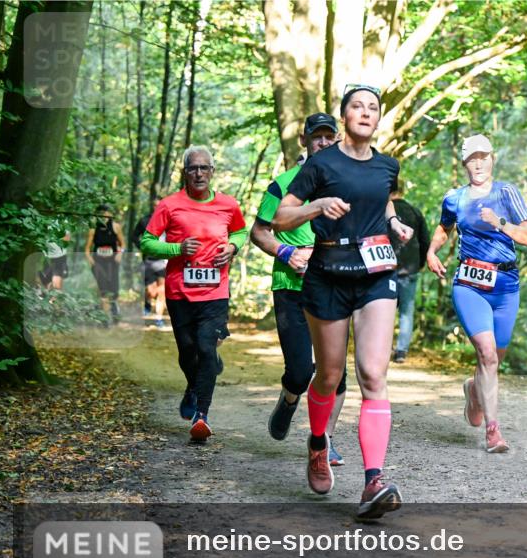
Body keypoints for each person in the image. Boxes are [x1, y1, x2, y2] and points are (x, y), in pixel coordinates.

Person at [273, 84, 413, 520]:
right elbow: (281, 219)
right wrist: (317, 206)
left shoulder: (388, 166)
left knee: (373, 373)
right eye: (358, 106)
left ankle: (373, 480)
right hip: (328, 275)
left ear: (378, 118)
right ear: (345, 115)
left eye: (373, 108)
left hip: (376, 273)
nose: (366, 113)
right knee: (329, 376)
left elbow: (384, 204)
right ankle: (318, 443)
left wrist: (396, 225)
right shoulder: (320, 163)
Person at [426, 134, 527, 454]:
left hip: (505, 285)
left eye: (483, 156)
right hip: (469, 283)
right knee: (486, 353)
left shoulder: (506, 192)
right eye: (471, 158)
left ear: (492, 159)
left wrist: (498, 222)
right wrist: (432, 251)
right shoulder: (455, 198)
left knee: (494, 360)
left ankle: (474, 389)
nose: (478, 163)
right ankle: (493, 431)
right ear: (464, 164)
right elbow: (444, 228)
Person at [251, 112, 346, 465]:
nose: (323, 142)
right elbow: (259, 231)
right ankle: (289, 399)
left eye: (328, 136)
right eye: (316, 136)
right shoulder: (283, 185)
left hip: (333, 288)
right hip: (291, 288)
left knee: (336, 370)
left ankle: (325, 441)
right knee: (301, 371)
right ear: (304, 141)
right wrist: (287, 252)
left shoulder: (344, 183)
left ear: (337, 140)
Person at [140, 145, 247, 442]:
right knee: (188, 351)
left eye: (204, 168)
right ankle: (193, 385)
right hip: (179, 292)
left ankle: (202, 414)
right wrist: (176, 248)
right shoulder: (169, 205)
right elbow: (147, 243)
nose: (198, 173)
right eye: (192, 168)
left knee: (206, 349)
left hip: (215, 292)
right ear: (185, 173)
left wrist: (233, 247)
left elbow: (240, 231)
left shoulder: (228, 204)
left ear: (212, 172)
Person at [387, 180, 430, 363]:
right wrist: (419, 264)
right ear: (403, 191)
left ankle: (384, 348)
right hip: (410, 269)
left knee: (385, 311)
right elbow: (425, 241)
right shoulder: (415, 212)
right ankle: (401, 352)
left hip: (386, 268)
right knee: (406, 311)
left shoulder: (384, 212)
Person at [84, 204, 125, 324]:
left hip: (112, 261)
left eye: (107, 213)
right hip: (98, 262)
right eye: (102, 213)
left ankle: (114, 309)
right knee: (103, 289)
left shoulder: (116, 227)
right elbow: (87, 248)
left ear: (110, 214)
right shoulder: (93, 229)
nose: (105, 215)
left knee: (113, 288)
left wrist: (120, 254)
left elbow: (123, 245)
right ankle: (104, 318)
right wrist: (90, 260)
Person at [132, 209, 168, 328]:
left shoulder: (169, 219)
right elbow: (134, 236)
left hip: (163, 260)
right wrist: (142, 247)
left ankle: (159, 318)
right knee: (151, 292)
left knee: (162, 291)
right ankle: (147, 303)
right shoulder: (145, 220)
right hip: (148, 260)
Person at [40, 225, 71, 290]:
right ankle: (50, 299)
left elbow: (67, 239)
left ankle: (55, 298)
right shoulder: (43, 220)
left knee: (57, 286)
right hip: (46, 257)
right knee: (47, 286)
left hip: (60, 257)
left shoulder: (63, 221)